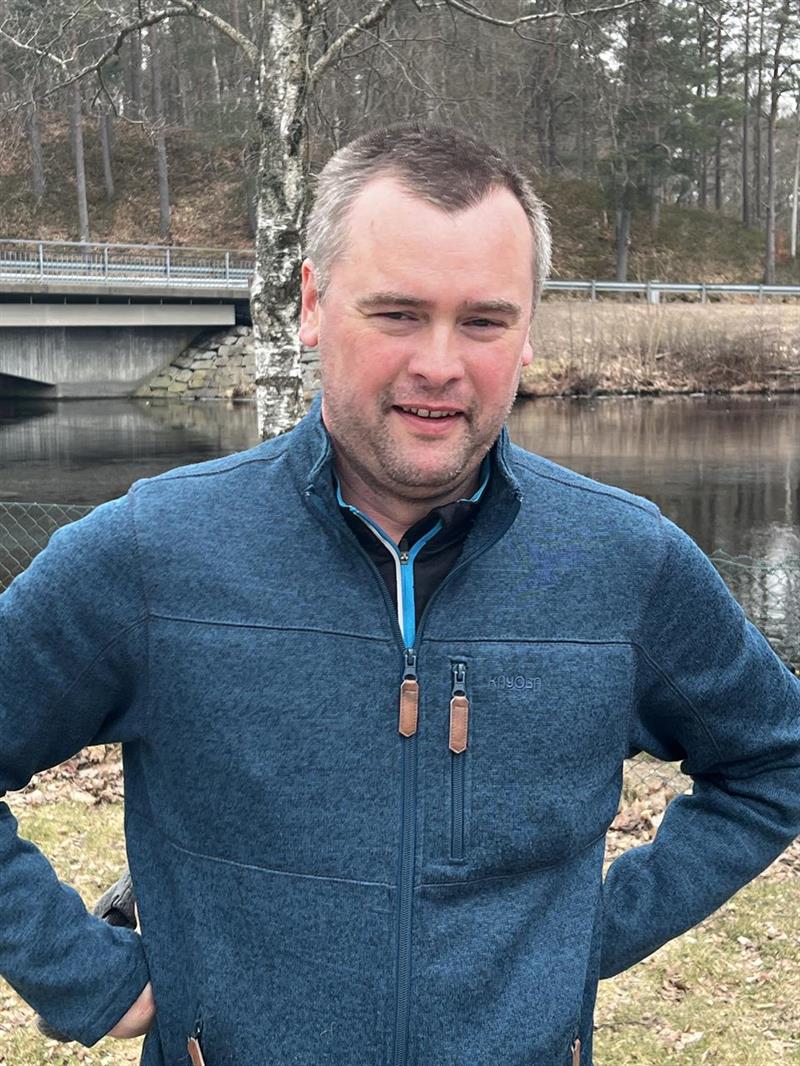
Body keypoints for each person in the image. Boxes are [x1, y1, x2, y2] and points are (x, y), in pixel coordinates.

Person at [2, 124, 800, 1066]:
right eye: (397, 313)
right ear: (311, 304)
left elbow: (773, 760)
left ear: (528, 332)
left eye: (484, 321)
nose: (440, 364)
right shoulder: (152, 554)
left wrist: (581, 940)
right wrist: (82, 974)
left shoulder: (627, 562)